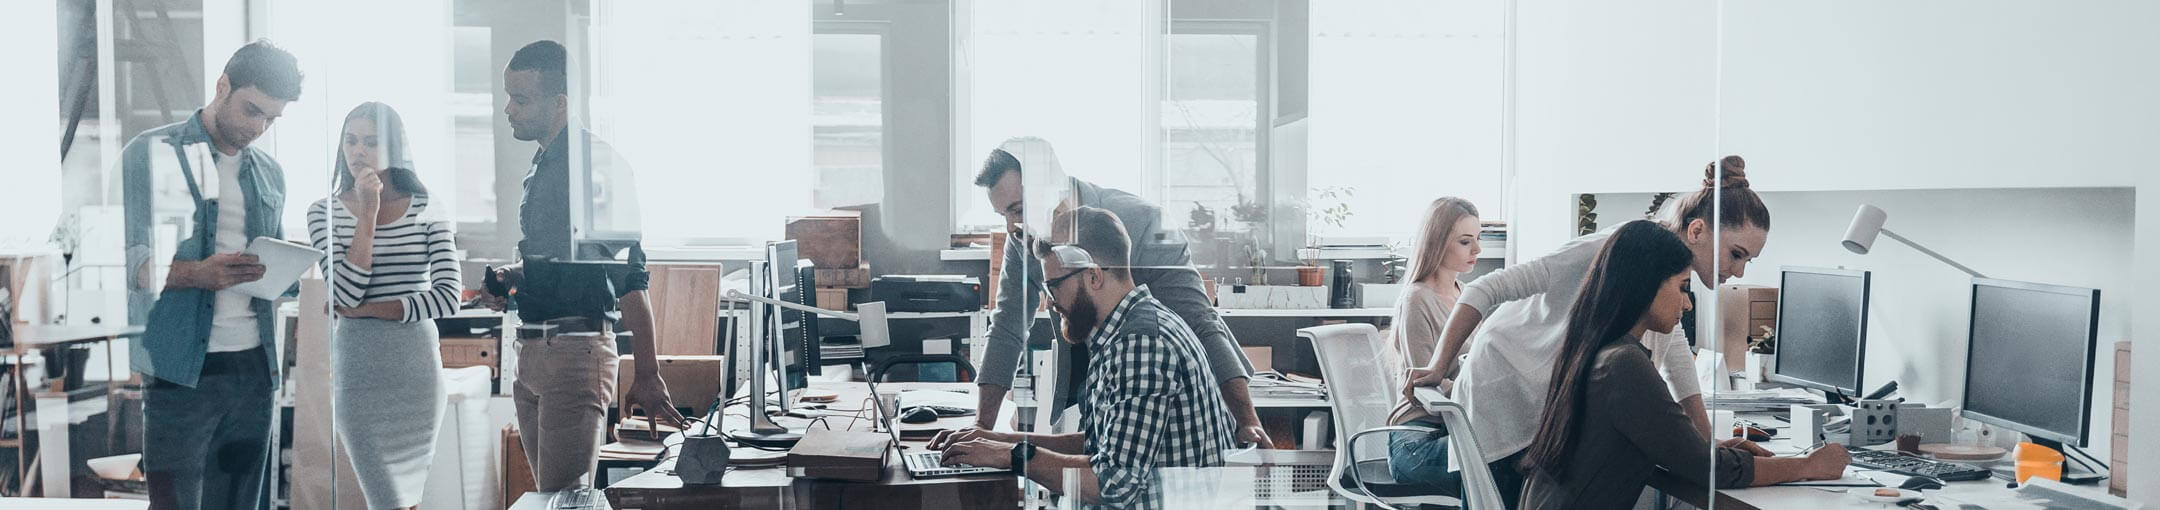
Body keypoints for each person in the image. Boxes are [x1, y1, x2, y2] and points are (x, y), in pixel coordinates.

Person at [1403, 156, 1768, 508]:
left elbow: (1677, 361)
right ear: (1697, 230)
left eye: (1747, 260)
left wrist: (1705, 444)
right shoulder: (1616, 247)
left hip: (1549, 403)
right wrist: (1438, 366)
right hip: (1507, 391)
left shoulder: (1666, 280)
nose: (1739, 272)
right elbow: (1485, 289)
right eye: (1736, 254)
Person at [1519, 220, 1850, 509]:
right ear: (1646, 284)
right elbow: (1710, 471)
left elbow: (1684, 453)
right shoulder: (1623, 365)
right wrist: (1809, 465)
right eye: (1682, 287)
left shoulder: (1597, 349)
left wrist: (1708, 449)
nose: (1688, 303)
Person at [476, 40, 687, 493]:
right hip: (532, 352)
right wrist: (510, 278)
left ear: (561, 102)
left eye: (521, 99)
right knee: (554, 499)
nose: (509, 109)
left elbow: (629, 276)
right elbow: (557, 265)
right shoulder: (544, 164)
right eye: (507, 96)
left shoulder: (598, 168)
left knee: (566, 500)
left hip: (573, 353)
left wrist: (647, 373)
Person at [962, 137, 1268, 447]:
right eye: (1004, 215)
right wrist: (982, 429)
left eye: (1018, 209)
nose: (1013, 226)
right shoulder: (1022, 237)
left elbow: (1200, 321)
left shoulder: (1144, 222)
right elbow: (1007, 328)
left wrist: (1247, 420)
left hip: (1166, 388)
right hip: (1095, 385)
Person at [930, 207, 1236, 509]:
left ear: (1093, 276)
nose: (1050, 303)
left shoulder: (1141, 344)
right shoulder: (1126, 329)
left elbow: (1113, 484)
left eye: (1055, 287)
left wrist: (1012, 455)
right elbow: (1100, 444)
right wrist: (998, 440)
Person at [121, 40, 301, 510]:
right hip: (179, 374)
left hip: (254, 373)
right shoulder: (150, 154)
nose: (258, 128)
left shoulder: (270, 174)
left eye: (271, 119)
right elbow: (126, 262)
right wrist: (197, 273)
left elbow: (272, 261)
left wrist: (283, 271)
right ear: (222, 86)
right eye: (252, 111)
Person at [306, 102, 462, 510]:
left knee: (411, 503)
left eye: (371, 143)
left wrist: (370, 310)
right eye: (351, 140)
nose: (358, 151)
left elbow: (447, 297)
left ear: (396, 148)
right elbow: (347, 294)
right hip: (359, 375)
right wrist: (368, 214)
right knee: (387, 502)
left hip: (416, 374)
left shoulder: (429, 206)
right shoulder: (322, 212)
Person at [1380, 197, 1481, 487]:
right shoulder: (1417, 298)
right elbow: (1425, 386)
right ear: (1437, 243)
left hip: (1457, 429)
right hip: (1417, 440)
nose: (1477, 250)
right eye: (1465, 242)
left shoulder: (1467, 294)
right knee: (1504, 465)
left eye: (1477, 239)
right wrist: (1482, 396)